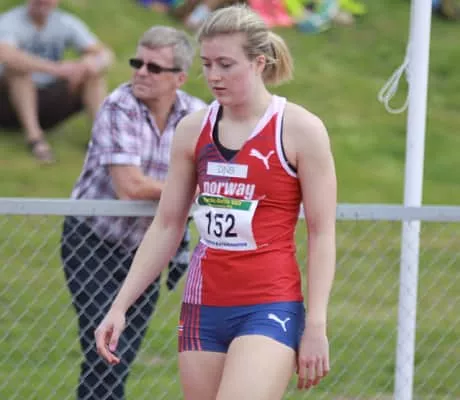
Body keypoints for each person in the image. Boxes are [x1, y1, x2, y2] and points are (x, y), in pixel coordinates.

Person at [95, 5, 337, 400]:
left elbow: (322, 232)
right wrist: (120, 305)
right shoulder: (193, 129)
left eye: (226, 64)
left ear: (259, 62)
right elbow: (167, 224)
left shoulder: (300, 129)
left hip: (268, 304)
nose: (213, 76)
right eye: (207, 64)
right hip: (204, 305)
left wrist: (316, 326)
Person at [60, 26, 206, 400]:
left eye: (153, 67)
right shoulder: (117, 106)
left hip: (147, 249)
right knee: (105, 345)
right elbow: (131, 187)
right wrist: (189, 189)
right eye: (137, 63)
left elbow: (218, 174)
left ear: (179, 78)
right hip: (92, 240)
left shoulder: (197, 115)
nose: (141, 72)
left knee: (120, 353)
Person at [0, 0, 113, 163]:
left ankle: (103, 140)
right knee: (18, 70)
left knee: (93, 74)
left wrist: (89, 64)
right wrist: (56, 69)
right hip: (9, 103)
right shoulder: (9, 21)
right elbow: (6, 55)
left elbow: (105, 53)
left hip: (49, 99)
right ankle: (35, 139)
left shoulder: (66, 22)